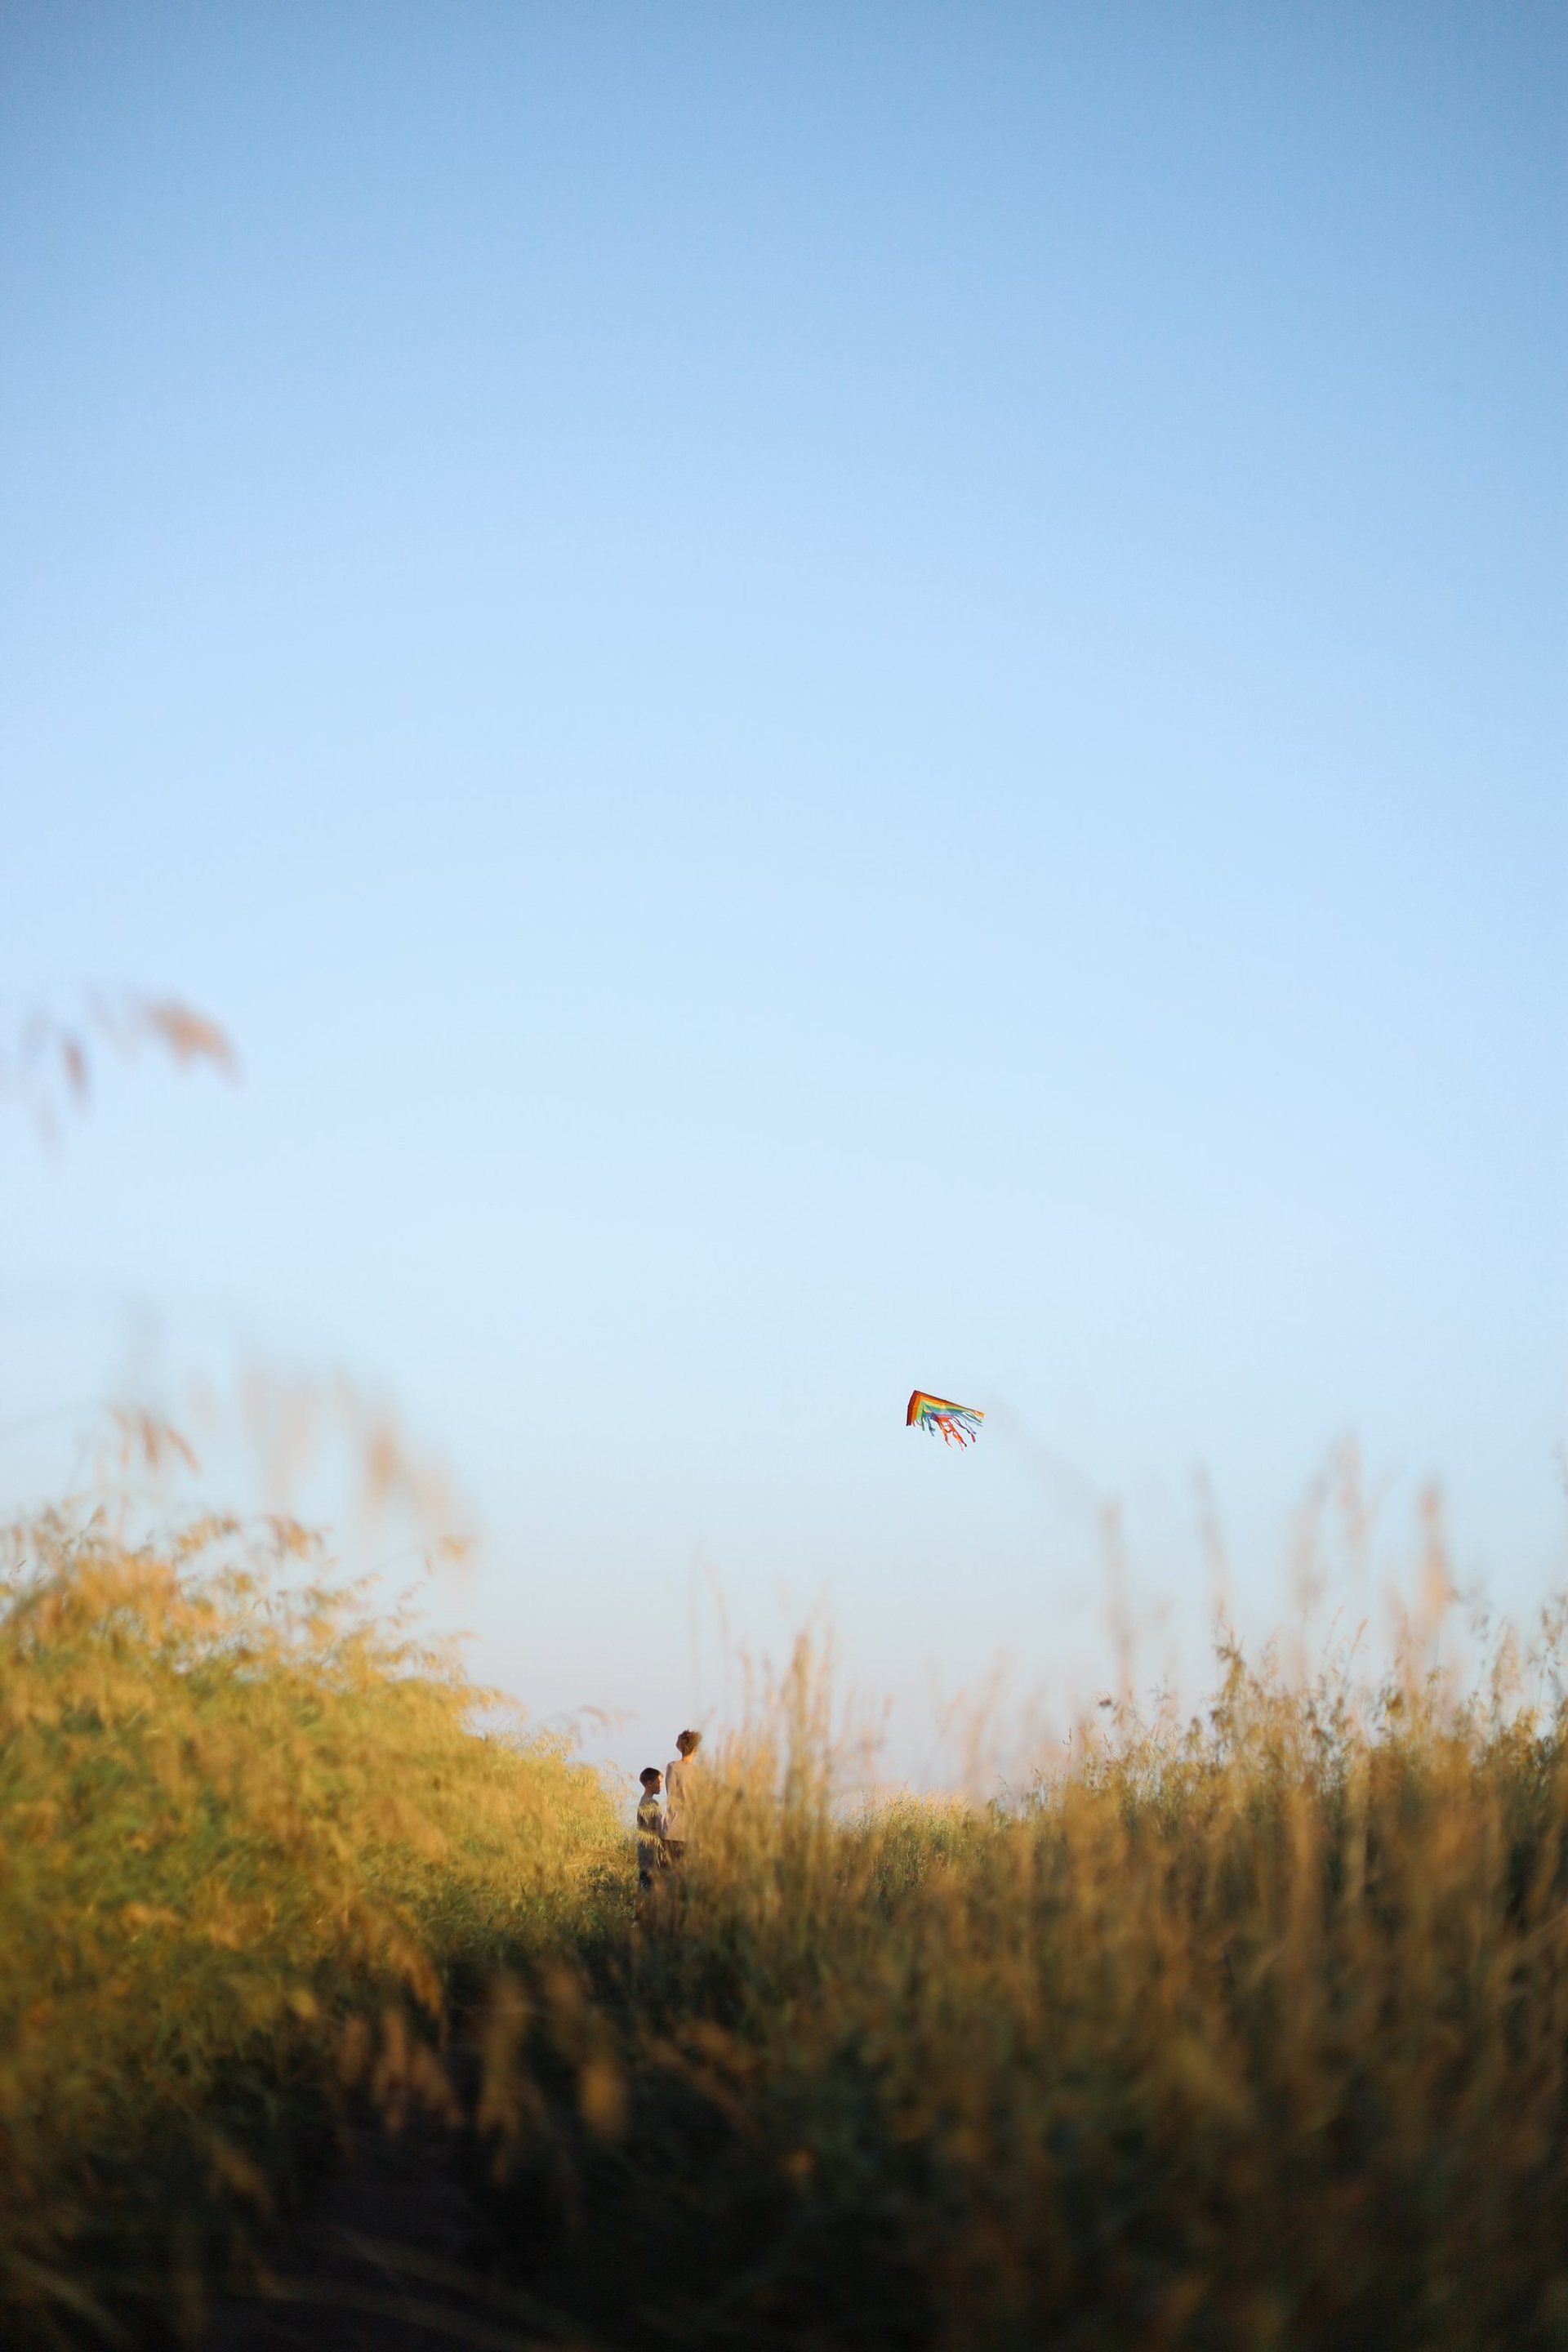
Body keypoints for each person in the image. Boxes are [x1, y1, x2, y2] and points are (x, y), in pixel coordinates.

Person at [662, 1729, 702, 1860]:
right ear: (695, 1749)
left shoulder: (671, 1767)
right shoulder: (697, 1772)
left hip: (670, 1828)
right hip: (690, 1830)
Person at [635, 1766, 668, 1899]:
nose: (660, 1786)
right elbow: (655, 1830)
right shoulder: (651, 1803)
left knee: (645, 1886)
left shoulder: (642, 1801)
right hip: (650, 1852)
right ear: (649, 1783)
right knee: (650, 1889)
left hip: (644, 1850)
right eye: (658, 1782)